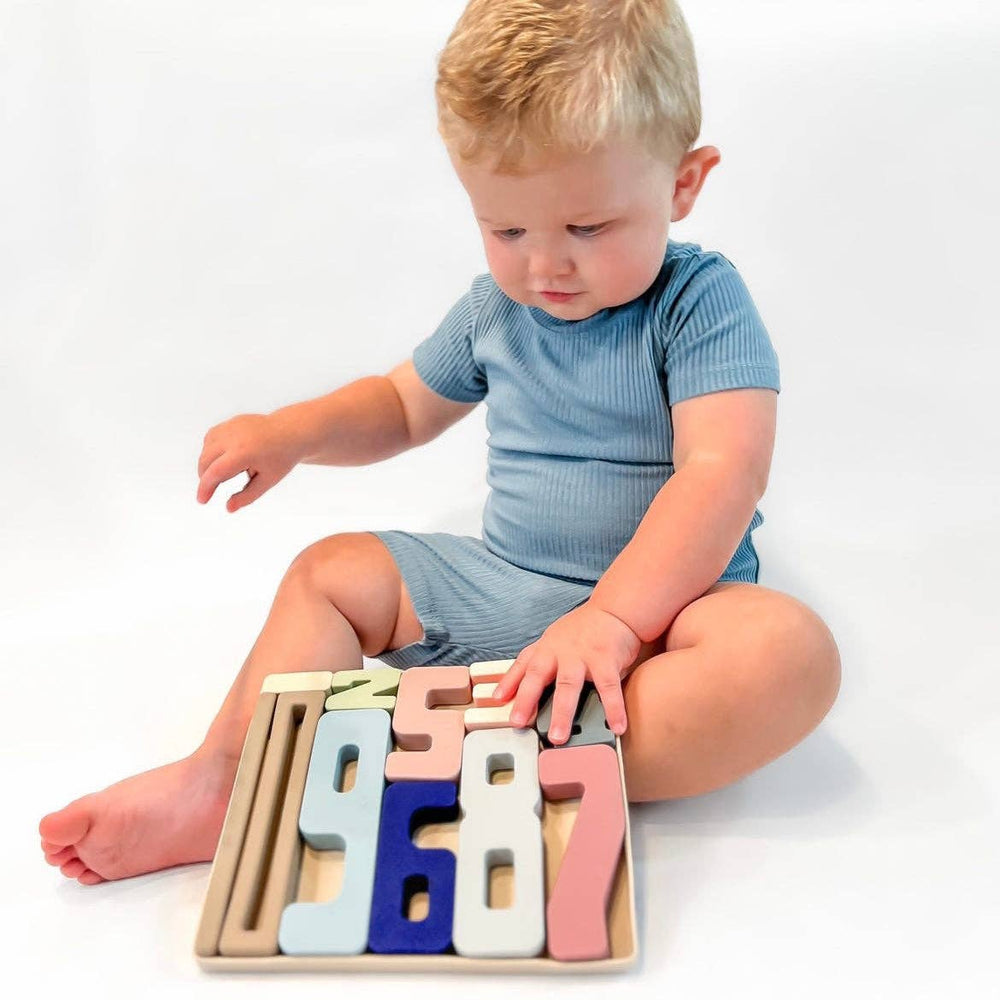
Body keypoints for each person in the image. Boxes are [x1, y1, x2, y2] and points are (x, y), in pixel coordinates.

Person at [39, 0, 840, 886]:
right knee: (330, 572)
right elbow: (400, 404)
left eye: (587, 228)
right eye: (507, 231)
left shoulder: (698, 304)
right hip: (512, 593)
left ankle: (470, 752)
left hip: (674, 617)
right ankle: (226, 781)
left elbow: (721, 470)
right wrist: (294, 432)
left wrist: (611, 622)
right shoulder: (497, 310)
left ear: (683, 184)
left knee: (786, 655)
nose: (546, 266)